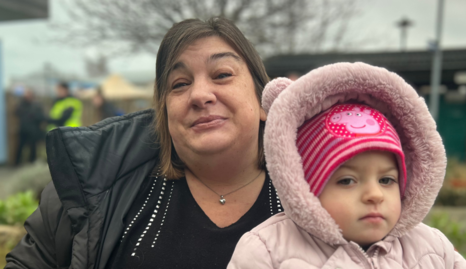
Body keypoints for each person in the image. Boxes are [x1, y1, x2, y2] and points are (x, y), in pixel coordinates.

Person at [6, 17, 283, 269]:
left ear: (264, 100)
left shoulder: (317, 189)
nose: (200, 94)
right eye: (179, 84)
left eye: (222, 74)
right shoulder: (92, 190)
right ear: (164, 113)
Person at [228, 62, 466, 268]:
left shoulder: (433, 250)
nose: (374, 195)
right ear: (305, 190)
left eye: (386, 180)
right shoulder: (267, 250)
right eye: (347, 181)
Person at [14, 89, 45, 165]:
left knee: (33, 147)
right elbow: (17, 112)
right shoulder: (22, 104)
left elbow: (41, 117)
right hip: (24, 130)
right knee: (20, 147)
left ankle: (31, 162)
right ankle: (17, 163)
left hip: (33, 130)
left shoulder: (36, 105)